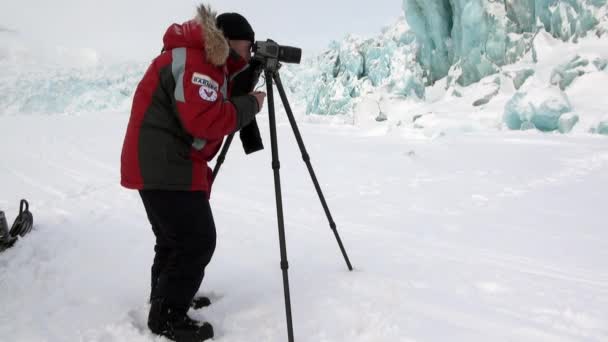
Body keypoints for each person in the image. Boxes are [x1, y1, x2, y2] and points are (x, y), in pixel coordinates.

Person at [120, 4, 265, 341]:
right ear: (230, 41)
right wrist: (250, 104)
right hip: (164, 165)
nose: (250, 53)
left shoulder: (201, 57)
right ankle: (167, 317)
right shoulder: (199, 61)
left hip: (161, 162)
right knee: (197, 240)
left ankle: (168, 300)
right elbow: (204, 121)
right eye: (248, 46)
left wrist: (239, 86)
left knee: (172, 240)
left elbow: (203, 111)